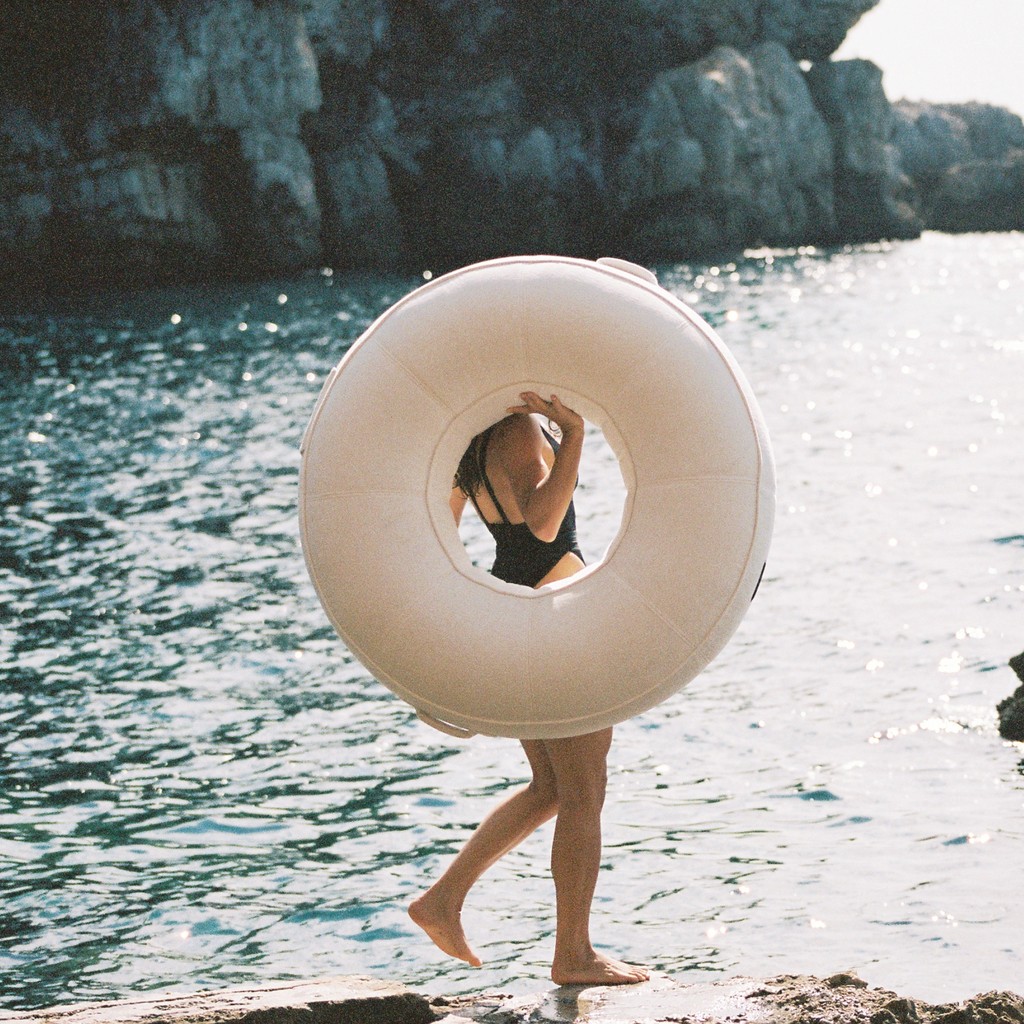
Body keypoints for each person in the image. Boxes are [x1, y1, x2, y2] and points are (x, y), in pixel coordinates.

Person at [408, 391, 649, 986]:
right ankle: (573, 956)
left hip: (517, 608)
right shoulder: (516, 429)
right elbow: (543, 524)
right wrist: (575, 437)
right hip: (554, 616)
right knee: (584, 791)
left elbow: (446, 520)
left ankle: (441, 901)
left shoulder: (470, 439)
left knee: (549, 788)